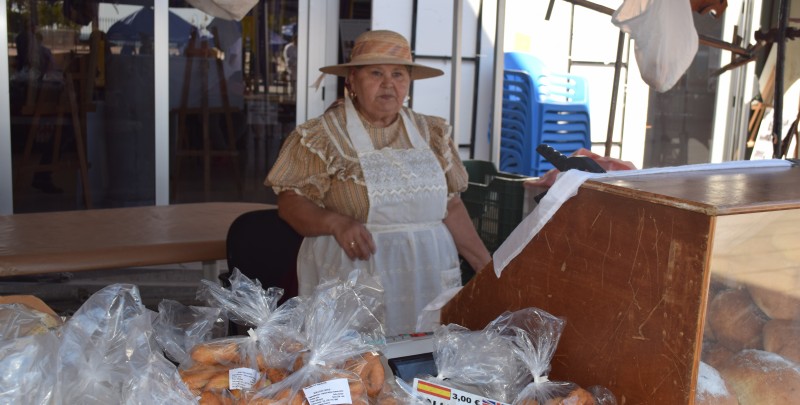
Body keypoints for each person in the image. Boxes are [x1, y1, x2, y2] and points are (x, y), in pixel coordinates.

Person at [265, 30, 491, 336]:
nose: (389, 83)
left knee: (425, 361)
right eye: (376, 73)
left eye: (398, 74)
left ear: (408, 83)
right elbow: (290, 203)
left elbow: (451, 205)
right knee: (358, 368)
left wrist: (487, 268)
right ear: (352, 82)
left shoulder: (432, 133)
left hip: (428, 275)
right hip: (355, 276)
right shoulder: (322, 135)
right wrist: (335, 222)